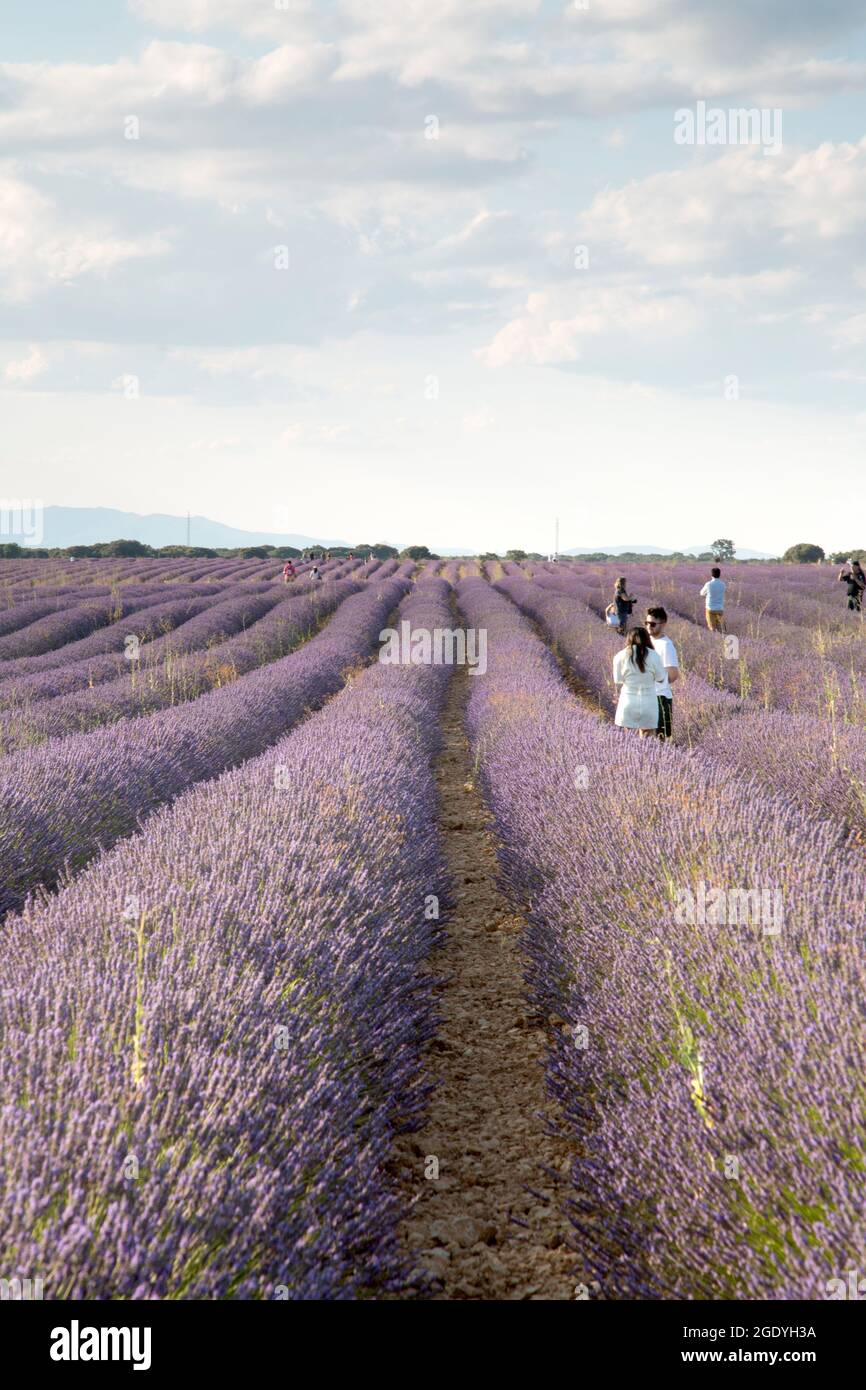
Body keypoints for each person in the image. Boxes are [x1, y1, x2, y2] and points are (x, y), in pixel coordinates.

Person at [613, 627, 666, 736]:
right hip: (648, 702)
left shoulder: (620, 656)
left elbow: (618, 680)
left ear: (628, 639)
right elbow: (661, 678)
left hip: (628, 701)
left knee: (628, 740)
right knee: (648, 739)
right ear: (647, 639)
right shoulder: (654, 655)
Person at [645, 606, 679, 741]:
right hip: (647, 695)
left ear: (663, 624)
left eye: (653, 624)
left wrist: (656, 679)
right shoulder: (649, 641)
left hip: (660, 697)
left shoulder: (666, 646)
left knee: (660, 739)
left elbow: (673, 674)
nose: (649, 627)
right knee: (645, 736)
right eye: (646, 623)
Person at [700, 566, 726, 632]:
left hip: (710, 609)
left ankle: (714, 640)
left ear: (711, 575)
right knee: (721, 629)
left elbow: (702, 593)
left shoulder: (708, 584)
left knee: (712, 629)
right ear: (719, 575)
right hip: (720, 609)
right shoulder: (723, 584)